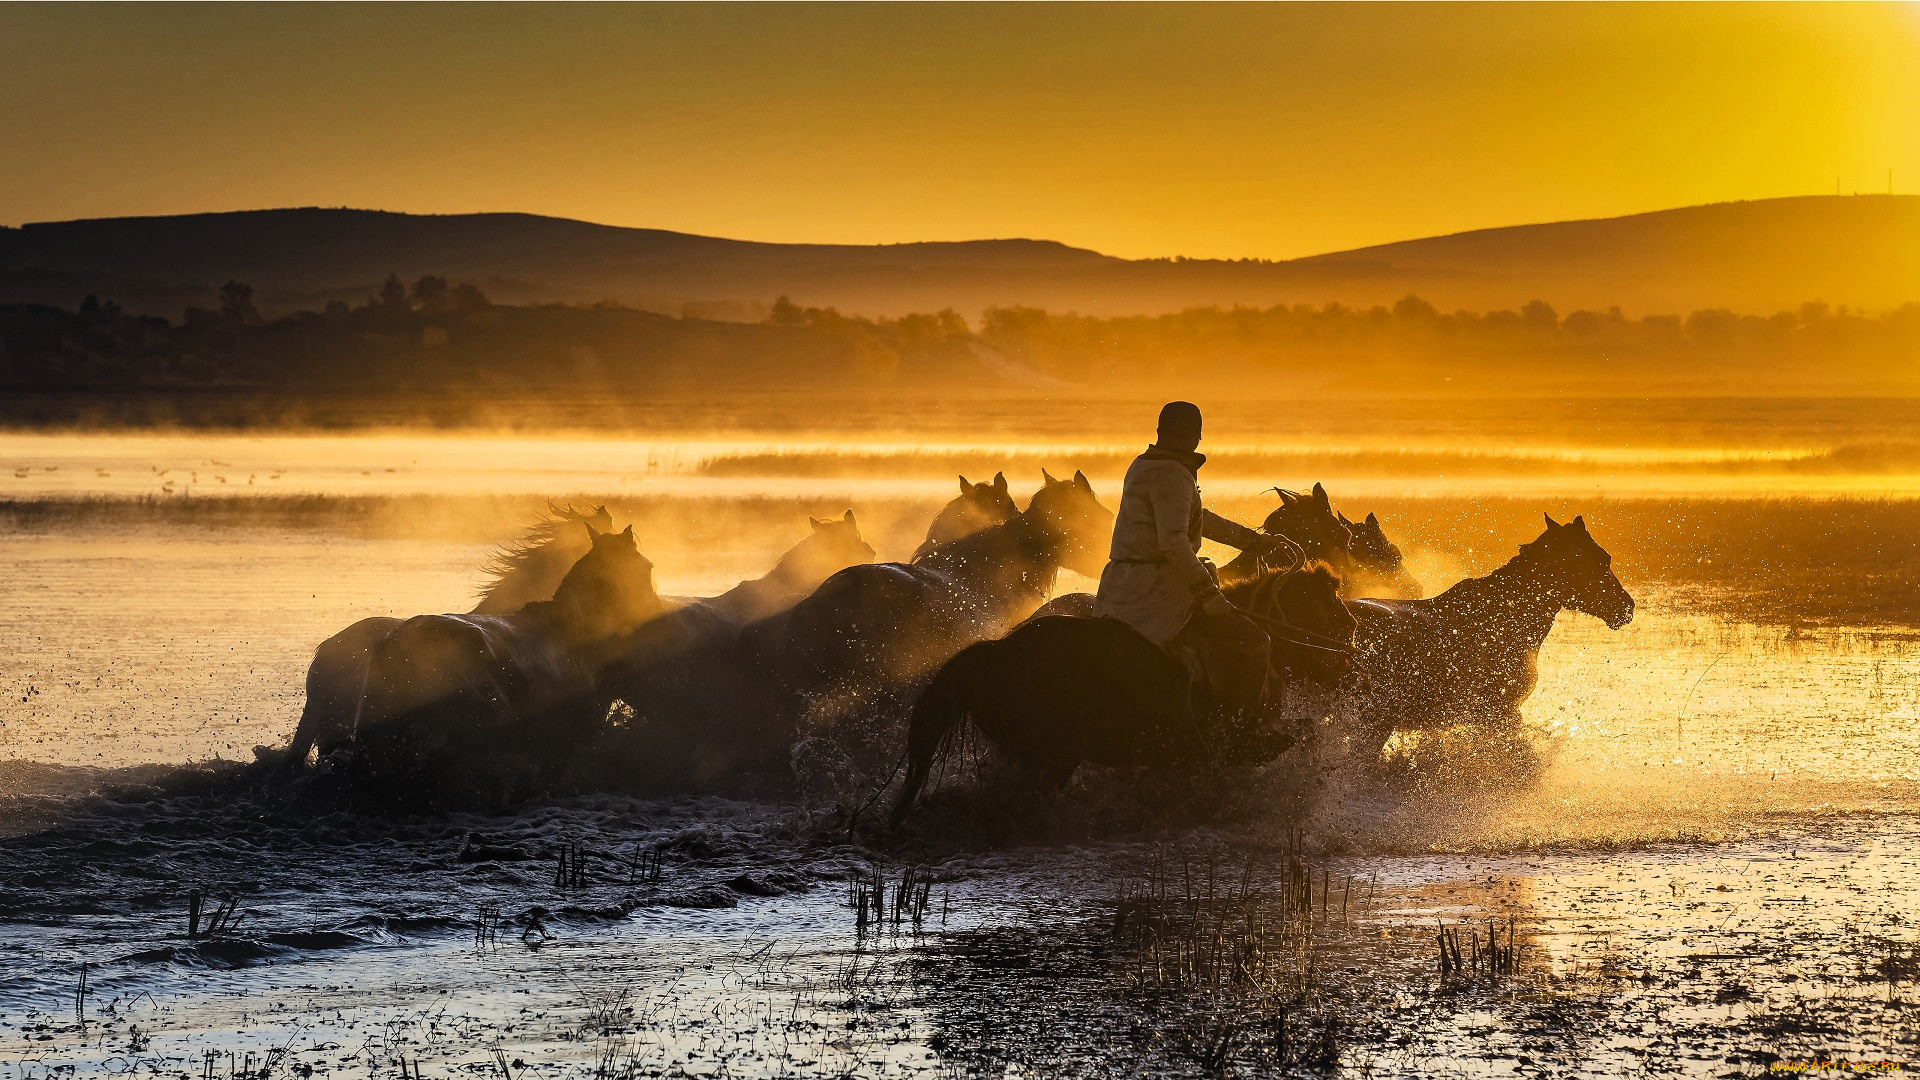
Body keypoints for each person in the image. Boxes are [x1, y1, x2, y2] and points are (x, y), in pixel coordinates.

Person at [1094, 401, 1284, 712]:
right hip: (1158, 593)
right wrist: (1208, 593)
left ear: (1159, 432)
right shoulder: (1174, 474)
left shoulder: (1142, 465)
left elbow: (1194, 518)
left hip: (1120, 584)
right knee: (1255, 643)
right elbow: (1173, 542)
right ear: (1198, 436)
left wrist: (1250, 541)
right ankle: (1244, 733)